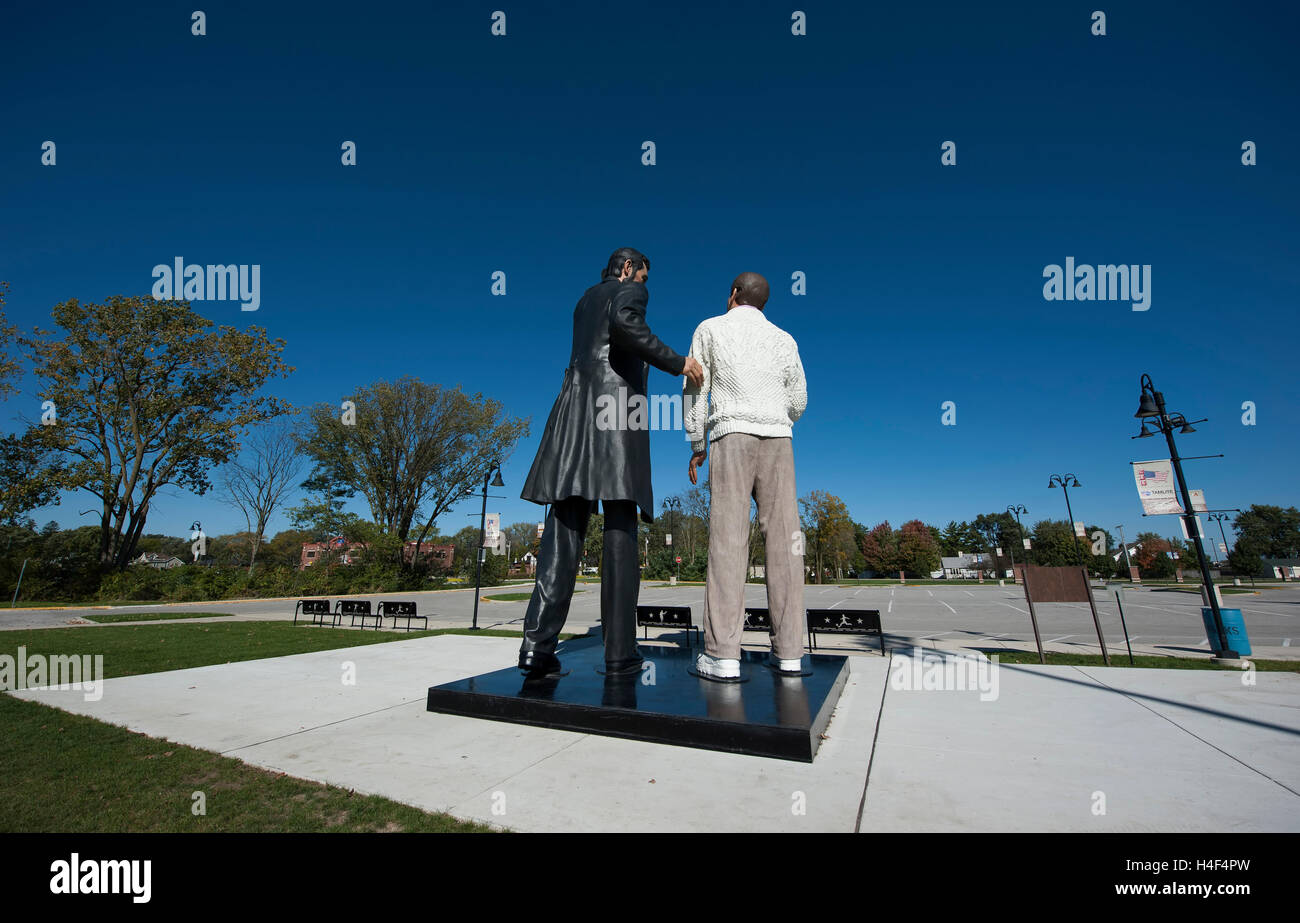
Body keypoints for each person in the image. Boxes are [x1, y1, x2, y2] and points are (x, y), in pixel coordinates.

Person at [518, 247, 704, 676]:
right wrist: (679, 362)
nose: (644, 286)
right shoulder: (627, 293)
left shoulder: (584, 300)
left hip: (573, 419)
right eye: (642, 276)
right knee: (621, 528)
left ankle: (536, 646)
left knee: (563, 531)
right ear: (626, 269)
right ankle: (619, 651)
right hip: (615, 417)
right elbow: (625, 325)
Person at [683, 271, 807, 680]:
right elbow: (799, 401)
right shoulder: (785, 339)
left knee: (729, 540)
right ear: (764, 302)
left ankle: (723, 656)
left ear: (733, 293)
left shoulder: (710, 328)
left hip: (731, 433)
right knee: (785, 543)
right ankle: (789, 652)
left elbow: (696, 388)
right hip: (779, 440)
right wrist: (773, 417)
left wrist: (696, 444)